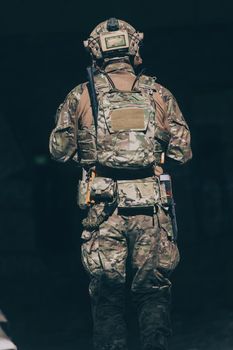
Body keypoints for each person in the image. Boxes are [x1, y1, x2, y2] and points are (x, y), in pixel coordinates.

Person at [49, 18, 192, 350]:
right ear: (134, 48)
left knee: (107, 298)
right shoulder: (158, 94)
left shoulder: (80, 95)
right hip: (152, 211)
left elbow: (58, 152)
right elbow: (183, 153)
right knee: (154, 293)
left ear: (96, 50)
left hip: (103, 211)